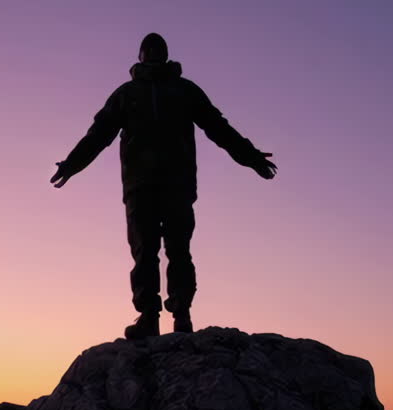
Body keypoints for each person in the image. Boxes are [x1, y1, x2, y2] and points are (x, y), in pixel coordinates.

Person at [50, 32, 276, 339]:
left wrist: (251, 157)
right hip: (139, 187)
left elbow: (218, 127)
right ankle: (148, 317)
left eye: (159, 48)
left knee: (179, 250)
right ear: (141, 55)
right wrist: (71, 165)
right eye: (149, 48)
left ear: (166, 54)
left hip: (178, 184)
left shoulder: (185, 91)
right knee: (144, 252)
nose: (154, 52)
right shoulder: (126, 94)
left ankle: (181, 314)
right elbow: (98, 135)